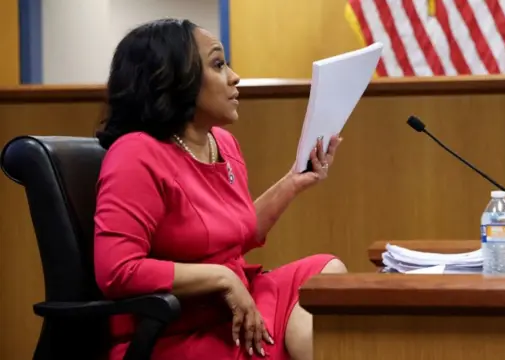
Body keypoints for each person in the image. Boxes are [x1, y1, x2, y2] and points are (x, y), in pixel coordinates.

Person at [93, 18, 347, 360]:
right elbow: (117, 271)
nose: (234, 76)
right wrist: (222, 278)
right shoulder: (135, 154)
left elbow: (236, 233)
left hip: (235, 308)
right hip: (178, 330)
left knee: (326, 274)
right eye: (218, 64)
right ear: (173, 78)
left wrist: (293, 182)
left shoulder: (223, 144)